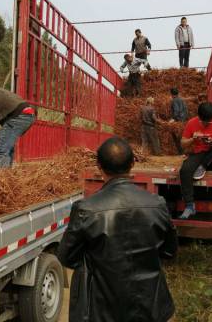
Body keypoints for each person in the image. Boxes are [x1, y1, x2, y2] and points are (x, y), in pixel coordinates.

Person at [58, 137, 177, 322]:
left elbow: (67, 257)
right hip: (150, 306)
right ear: (132, 163)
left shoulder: (86, 209)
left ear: (99, 166)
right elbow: (169, 252)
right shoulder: (158, 204)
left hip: (101, 309)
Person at [179, 102, 212, 219]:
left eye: (209, 121)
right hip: (200, 153)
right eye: (203, 121)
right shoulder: (192, 123)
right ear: (199, 116)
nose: (206, 124)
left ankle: (202, 167)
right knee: (185, 170)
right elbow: (183, 144)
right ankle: (189, 206)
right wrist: (193, 139)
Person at [169, 88, 188, 154]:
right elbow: (186, 110)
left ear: (171, 94)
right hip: (184, 120)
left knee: (176, 135)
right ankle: (183, 151)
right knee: (182, 135)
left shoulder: (174, 100)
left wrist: (173, 119)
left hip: (178, 120)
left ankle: (180, 151)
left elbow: (176, 111)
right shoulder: (182, 100)